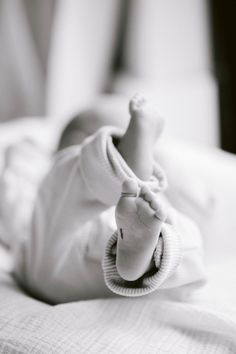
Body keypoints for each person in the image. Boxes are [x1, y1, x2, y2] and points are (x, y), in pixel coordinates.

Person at [0, 94, 206, 304]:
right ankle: (145, 256)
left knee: (69, 177)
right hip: (118, 269)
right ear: (76, 140)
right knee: (183, 239)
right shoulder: (39, 164)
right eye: (120, 140)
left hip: (61, 264)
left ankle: (141, 254)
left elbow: (12, 198)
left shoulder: (42, 178)